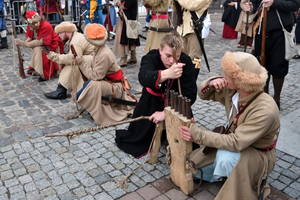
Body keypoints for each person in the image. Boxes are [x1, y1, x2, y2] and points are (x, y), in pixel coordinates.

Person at [179, 52, 280, 200]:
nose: (223, 76)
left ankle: (252, 182)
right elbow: (203, 94)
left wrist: (198, 135)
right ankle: (228, 175)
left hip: (258, 153)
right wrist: (211, 82)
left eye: (228, 75)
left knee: (225, 158)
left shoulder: (266, 109)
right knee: (194, 167)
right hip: (235, 143)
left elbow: (236, 142)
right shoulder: (233, 90)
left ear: (240, 81)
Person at [115, 31, 197, 158]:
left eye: (176, 56)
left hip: (177, 106)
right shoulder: (150, 57)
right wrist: (166, 74)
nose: (172, 61)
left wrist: (166, 113)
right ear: (160, 50)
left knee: (188, 144)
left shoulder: (186, 61)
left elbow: (190, 94)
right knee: (138, 140)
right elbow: (143, 77)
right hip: (150, 104)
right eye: (168, 55)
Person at [75, 23, 135, 125]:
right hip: (108, 82)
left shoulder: (103, 54)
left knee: (90, 86)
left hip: (115, 87)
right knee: (86, 87)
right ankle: (92, 105)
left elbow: (95, 76)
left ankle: (98, 109)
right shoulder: (99, 49)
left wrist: (81, 63)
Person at [251, 0, 300, 109]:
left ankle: (276, 98)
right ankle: (264, 96)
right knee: (262, 66)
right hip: (261, 29)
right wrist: (251, 8)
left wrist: (274, 2)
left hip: (280, 30)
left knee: (278, 65)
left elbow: (294, 4)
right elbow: (255, 3)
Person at [44, 21, 94, 100]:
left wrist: (55, 57)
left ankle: (61, 90)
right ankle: (61, 89)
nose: (59, 35)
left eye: (60, 33)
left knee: (74, 62)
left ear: (66, 31)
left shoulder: (76, 40)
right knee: (74, 61)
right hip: (92, 59)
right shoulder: (75, 38)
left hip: (93, 61)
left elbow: (72, 58)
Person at [15, 11, 64, 82]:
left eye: (37, 22)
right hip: (44, 44)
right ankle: (38, 69)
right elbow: (30, 37)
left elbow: (41, 41)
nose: (36, 24)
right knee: (36, 49)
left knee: (40, 50)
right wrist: (23, 42)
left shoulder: (46, 25)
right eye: (34, 24)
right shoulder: (33, 26)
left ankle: (45, 74)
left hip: (52, 45)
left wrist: (23, 43)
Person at [174, 0, 212, 81]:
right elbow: (176, 8)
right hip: (182, 29)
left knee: (194, 59)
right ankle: (181, 81)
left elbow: (192, 5)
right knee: (181, 57)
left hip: (195, 30)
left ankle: (191, 83)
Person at [113, 0, 140, 67]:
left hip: (126, 19)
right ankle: (133, 57)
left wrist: (117, 2)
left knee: (125, 37)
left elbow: (125, 5)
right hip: (129, 18)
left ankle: (123, 59)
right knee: (132, 37)